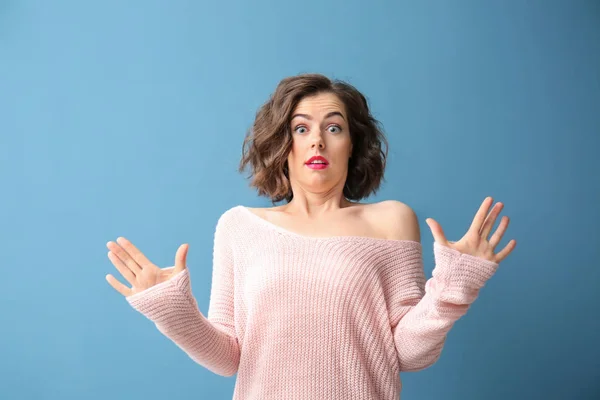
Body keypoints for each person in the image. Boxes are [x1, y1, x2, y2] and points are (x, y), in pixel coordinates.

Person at [105, 73, 516, 400]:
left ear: (353, 144)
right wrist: (172, 312)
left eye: (333, 128)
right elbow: (228, 357)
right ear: (282, 145)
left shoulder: (392, 220)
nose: (317, 139)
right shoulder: (239, 226)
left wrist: (452, 291)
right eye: (301, 129)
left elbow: (408, 354)